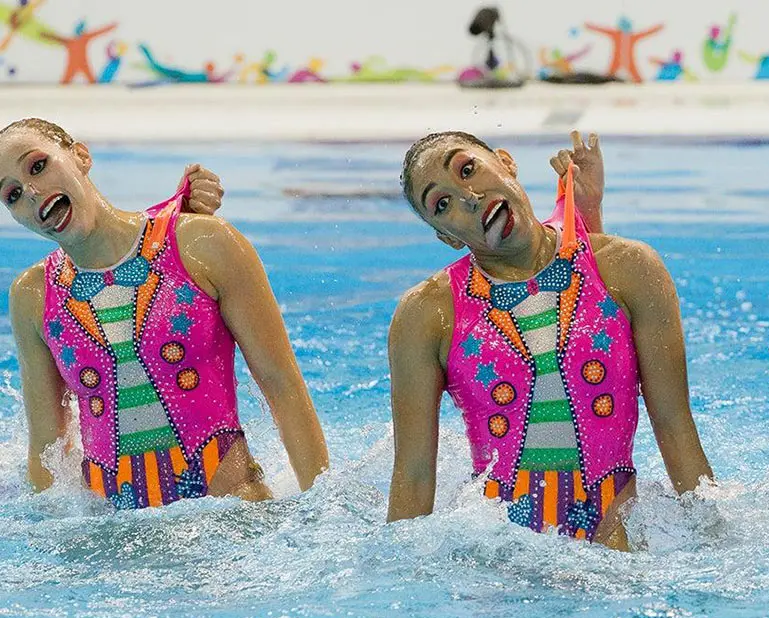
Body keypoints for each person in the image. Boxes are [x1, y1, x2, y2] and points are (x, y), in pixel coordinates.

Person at [386, 130, 713, 549]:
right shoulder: (426, 315)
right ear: (447, 237)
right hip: (501, 557)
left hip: (616, 545)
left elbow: (675, 428)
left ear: (505, 162)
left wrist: (716, 542)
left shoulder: (630, 269)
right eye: (443, 204)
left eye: (468, 169)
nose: (468, 197)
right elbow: (413, 477)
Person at [2, 117, 328, 508]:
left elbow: (283, 386)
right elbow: (47, 449)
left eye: (38, 165)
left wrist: (321, 505)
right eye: (13, 195)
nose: (33, 192)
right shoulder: (33, 295)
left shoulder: (204, 244)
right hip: (111, 537)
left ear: (81, 155)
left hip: (232, 517)